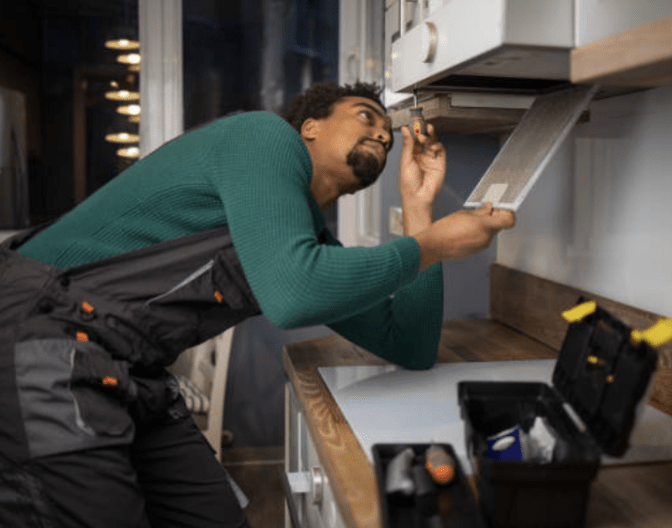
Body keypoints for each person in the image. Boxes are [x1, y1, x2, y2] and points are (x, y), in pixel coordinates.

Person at [0, 82, 515, 527]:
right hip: (39, 340)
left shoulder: (300, 241)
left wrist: (421, 212)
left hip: (126, 367)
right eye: (366, 115)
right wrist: (434, 245)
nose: (383, 133)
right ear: (309, 127)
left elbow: (411, 344)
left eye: (387, 128)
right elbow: (295, 294)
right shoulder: (264, 135)